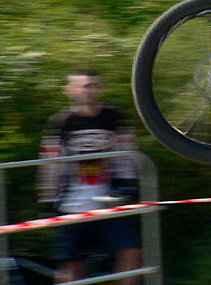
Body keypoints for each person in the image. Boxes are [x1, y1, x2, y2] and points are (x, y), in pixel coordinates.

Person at [37, 69, 142, 285]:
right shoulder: (61, 121)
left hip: (110, 202)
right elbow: (50, 162)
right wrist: (47, 199)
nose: (88, 91)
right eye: (83, 86)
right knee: (71, 266)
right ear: (70, 90)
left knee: (131, 254)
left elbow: (127, 153)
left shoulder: (114, 117)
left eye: (93, 86)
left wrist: (128, 183)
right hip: (72, 206)